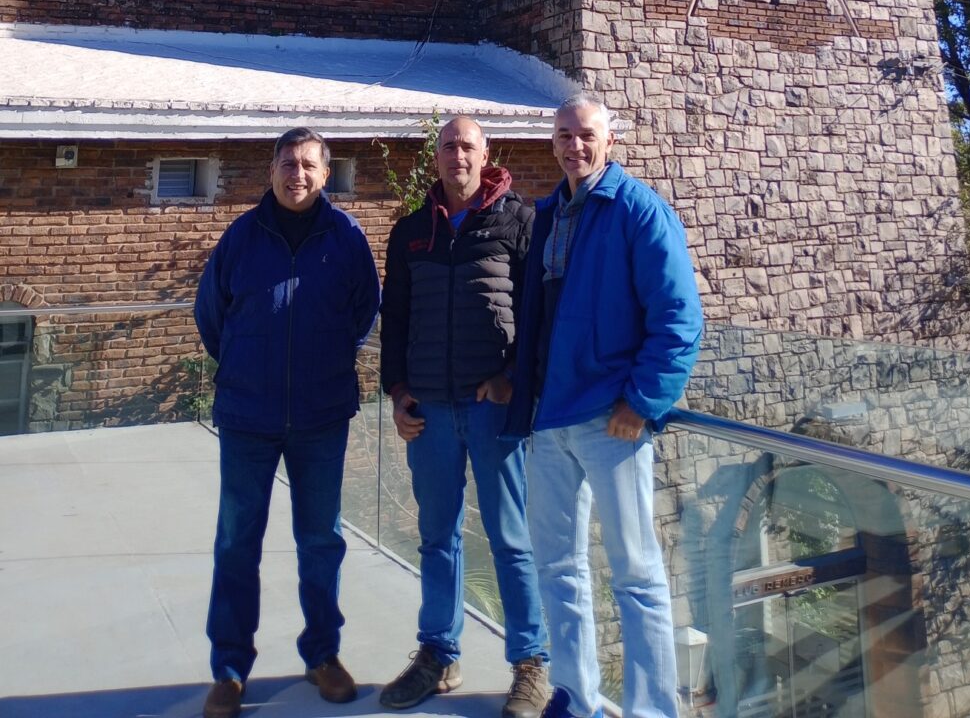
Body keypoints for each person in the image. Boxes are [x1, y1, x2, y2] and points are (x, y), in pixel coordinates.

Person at [504, 92, 703, 718]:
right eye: (563, 135)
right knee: (558, 569)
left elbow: (679, 317)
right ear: (553, 143)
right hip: (549, 420)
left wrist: (643, 402)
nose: (574, 145)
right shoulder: (549, 214)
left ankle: (650, 710)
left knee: (637, 575)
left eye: (585, 134)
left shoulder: (639, 210)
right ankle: (575, 693)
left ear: (608, 141)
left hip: (611, 421)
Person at [194, 127, 381, 718]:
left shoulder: (346, 239)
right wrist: (253, 368)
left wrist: (318, 365)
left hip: (321, 419)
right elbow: (210, 316)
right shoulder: (242, 238)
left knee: (320, 542)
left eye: (307, 164)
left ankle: (322, 655)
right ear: (270, 170)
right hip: (249, 417)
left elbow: (364, 311)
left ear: (325, 173)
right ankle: (229, 669)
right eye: (286, 163)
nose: (296, 174)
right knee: (235, 543)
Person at [379, 114, 550, 717]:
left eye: (468, 146)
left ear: (486, 155)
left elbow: (537, 316)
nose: (458, 155)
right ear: (438, 156)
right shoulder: (409, 233)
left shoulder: (518, 220)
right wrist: (397, 392)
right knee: (436, 538)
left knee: (510, 538)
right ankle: (438, 655)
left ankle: (530, 665)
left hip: (491, 411)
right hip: (429, 409)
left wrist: (514, 381)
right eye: (448, 145)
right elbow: (394, 319)